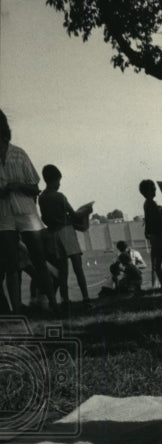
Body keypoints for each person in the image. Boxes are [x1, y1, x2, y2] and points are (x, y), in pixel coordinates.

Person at [0, 108, 57, 312]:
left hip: (26, 213)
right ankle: (16, 309)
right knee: (11, 265)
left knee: (39, 260)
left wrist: (17, 186)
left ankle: (52, 302)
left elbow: (35, 187)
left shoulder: (19, 153)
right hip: (4, 215)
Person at [38, 164, 92, 307]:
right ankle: (86, 297)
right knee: (78, 267)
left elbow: (44, 218)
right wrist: (87, 210)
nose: (59, 184)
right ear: (55, 179)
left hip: (53, 234)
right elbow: (75, 214)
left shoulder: (41, 198)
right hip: (67, 231)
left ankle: (65, 300)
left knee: (63, 271)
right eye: (59, 181)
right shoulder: (59, 196)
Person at [138, 179, 162, 288]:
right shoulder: (152, 204)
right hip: (159, 235)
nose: (155, 190)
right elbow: (158, 220)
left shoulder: (146, 204)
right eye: (153, 189)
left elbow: (148, 220)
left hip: (154, 236)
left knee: (160, 260)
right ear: (148, 191)